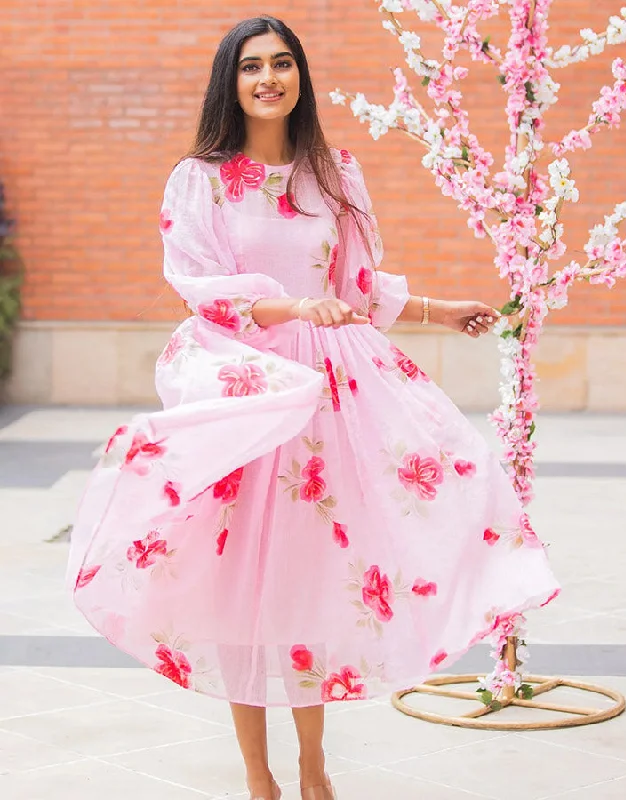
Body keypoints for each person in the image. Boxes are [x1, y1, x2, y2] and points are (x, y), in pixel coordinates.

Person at [67, 15, 560, 800]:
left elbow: (358, 289)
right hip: (250, 392)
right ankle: (259, 778)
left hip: (329, 394)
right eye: (252, 66)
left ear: (300, 77)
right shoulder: (199, 178)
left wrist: (440, 310)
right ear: (230, 82)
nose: (269, 78)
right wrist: (288, 308)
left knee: (309, 573)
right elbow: (200, 288)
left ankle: (312, 767)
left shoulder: (333, 173)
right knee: (241, 585)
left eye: (283, 64)